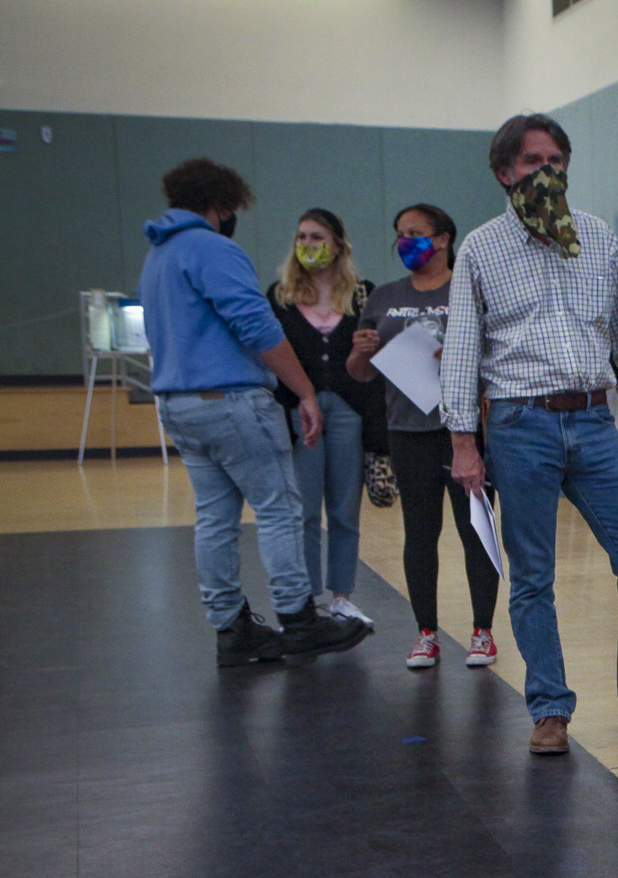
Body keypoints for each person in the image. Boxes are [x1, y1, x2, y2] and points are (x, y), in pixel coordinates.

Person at [440, 113, 618, 756]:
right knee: (534, 576)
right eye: (535, 162)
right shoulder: (481, 249)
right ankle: (549, 710)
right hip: (519, 422)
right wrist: (463, 440)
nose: (549, 173)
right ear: (506, 173)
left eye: (558, 162)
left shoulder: (597, 237)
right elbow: (461, 349)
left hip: (595, 419)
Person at [140, 158, 371, 666]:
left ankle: (230, 628)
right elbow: (259, 328)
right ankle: (299, 618)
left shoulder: (157, 255)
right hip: (230, 402)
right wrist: (304, 391)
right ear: (221, 206)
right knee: (280, 510)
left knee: (215, 520)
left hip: (178, 405)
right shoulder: (214, 249)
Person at [349, 203, 502, 671]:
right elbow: (359, 373)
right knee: (419, 534)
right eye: (399, 234)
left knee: (476, 529)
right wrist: (362, 352)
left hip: (466, 430)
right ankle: (426, 634)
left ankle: (482, 632)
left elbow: (495, 359)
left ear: (443, 240)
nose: (404, 242)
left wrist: (454, 359)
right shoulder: (383, 297)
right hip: (407, 430)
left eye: (414, 233)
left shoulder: (469, 290)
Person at [267, 207, 378, 627]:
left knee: (345, 509)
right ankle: (307, 596)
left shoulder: (363, 294)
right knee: (305, 509)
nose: (308, 245)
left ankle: (342, 595)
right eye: (302, 237)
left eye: (317, 237)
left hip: (350, 410)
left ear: (337, 244)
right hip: (300, 411)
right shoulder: (280, 296)